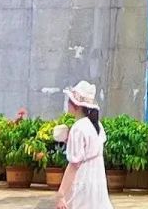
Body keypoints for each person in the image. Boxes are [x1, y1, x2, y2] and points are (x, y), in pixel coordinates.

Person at [56, 79, 111, 209]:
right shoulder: (96, 125)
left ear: (77, 105)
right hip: (97, 181)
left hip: (83, 180)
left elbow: (74, 165)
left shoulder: (78, 127)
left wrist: (61, 194)